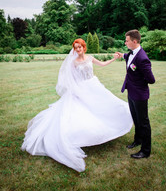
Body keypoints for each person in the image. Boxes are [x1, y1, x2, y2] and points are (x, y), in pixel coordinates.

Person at [21, 38, 133, 172]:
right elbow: (71, 79)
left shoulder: (90, 58)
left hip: (94, 85)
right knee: (83, 111)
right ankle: (87, 134)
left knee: (106, 104)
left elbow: (102, 64)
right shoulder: (73, 63)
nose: (78, 49)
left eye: (80, 47)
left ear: (84, 47)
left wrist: (114, 58)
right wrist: (76, 91)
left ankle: (115, 121)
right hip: (81, 88)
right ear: (74, 49)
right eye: (76, 48)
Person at [116, 30, 155, 159]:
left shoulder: (143, 58)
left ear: (134, 41)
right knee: (136, 119)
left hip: (139, 95)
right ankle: (137, 140)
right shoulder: (132, 53)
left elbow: (151, 79)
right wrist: (122, 55)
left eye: (127, 40)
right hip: (131, 92)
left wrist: (138, 82)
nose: (125, 42)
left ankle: (145, 150)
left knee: (143, 122)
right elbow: (128, 57)